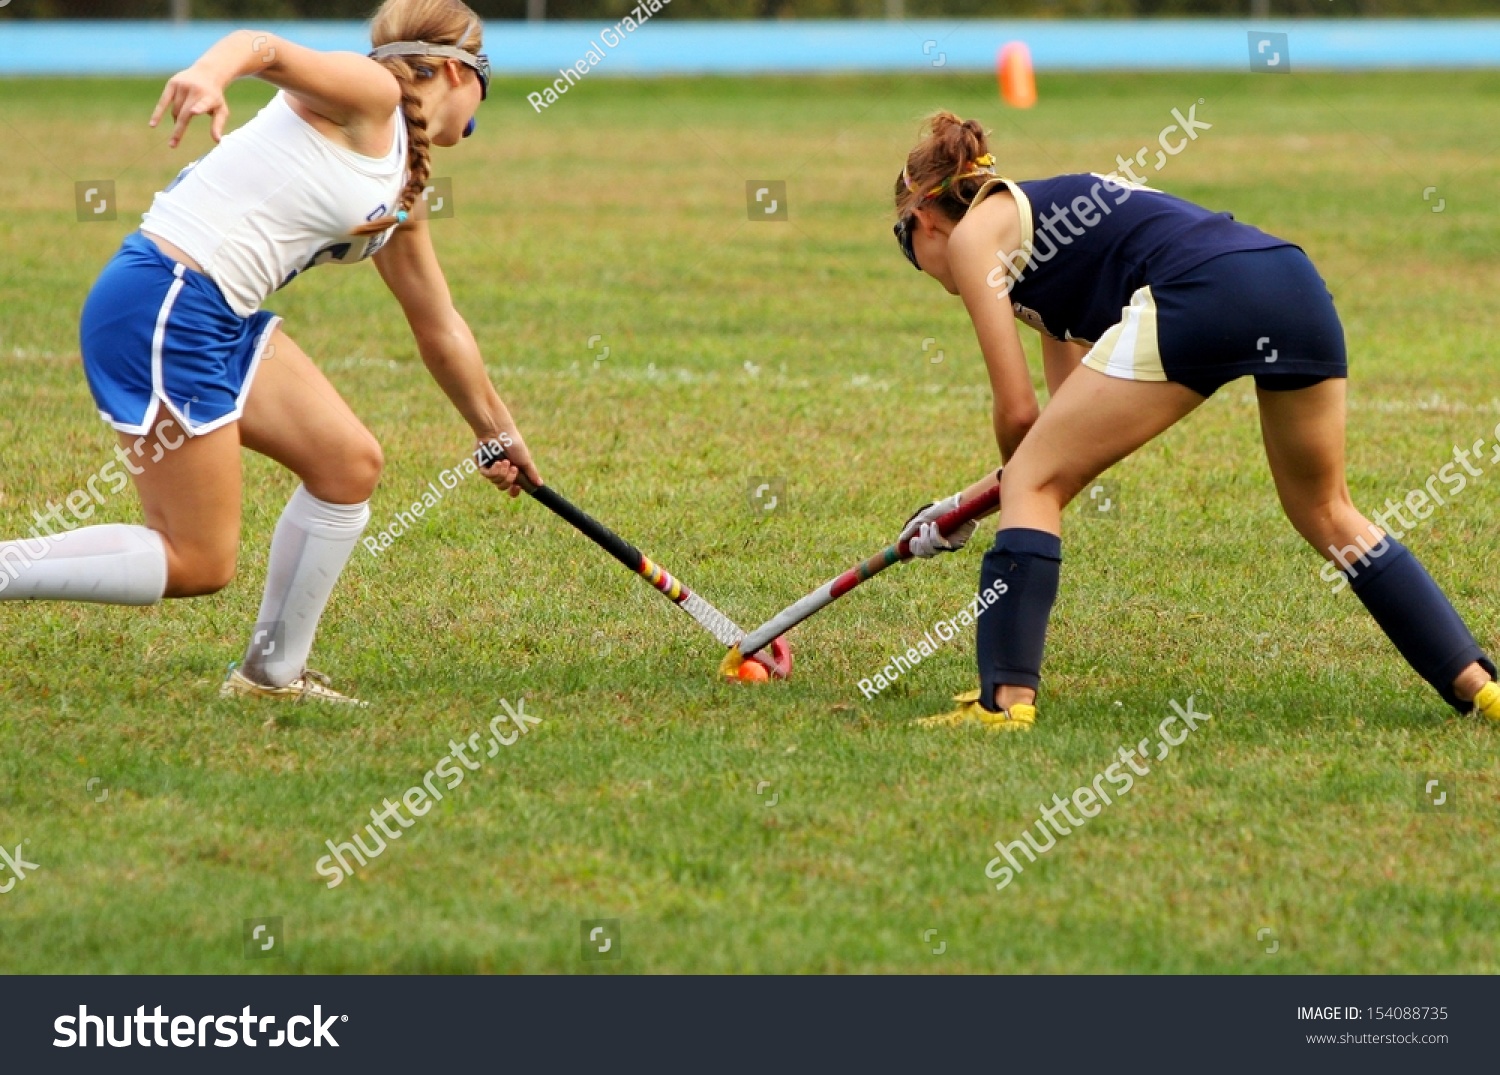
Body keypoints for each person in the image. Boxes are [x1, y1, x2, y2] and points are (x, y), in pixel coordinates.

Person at [0, 0, 538, 706]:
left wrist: (496, 430)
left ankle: (271, 677)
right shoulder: (371, 92)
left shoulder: (403, 182)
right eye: (486, 85)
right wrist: (209, 72)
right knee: (197, 561)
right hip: (165, 302)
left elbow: (438, 325)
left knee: (347, 464)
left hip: (218, 315)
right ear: (455, 72)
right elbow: (262, 47)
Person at [890, 112, 1500, 729]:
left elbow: (1022, 423)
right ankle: (1480, 688)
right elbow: (1063, 443)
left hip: (1202, 288)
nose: (923, 269)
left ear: (922, 219)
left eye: (906, 248)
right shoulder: (1045, 252)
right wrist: (969, 507)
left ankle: (1004, 704)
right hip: (1289, 279)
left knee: (1034, 482)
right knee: (1327, 510)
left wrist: (973, 506)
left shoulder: (974, 238)